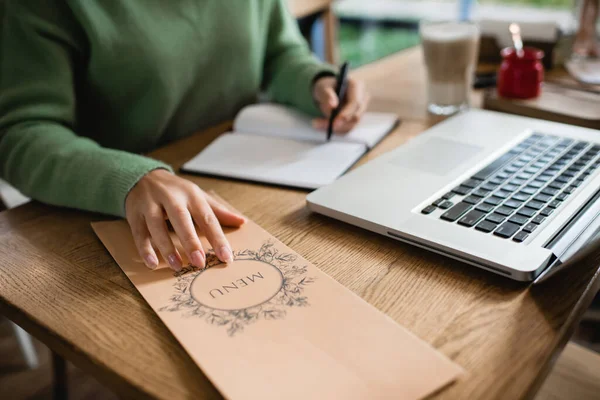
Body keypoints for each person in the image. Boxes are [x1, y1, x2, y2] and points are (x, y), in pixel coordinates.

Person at [0, 1, 370, 272]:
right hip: (126, 218)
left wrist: (316, 82)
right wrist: (132, 178)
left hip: (253, 186)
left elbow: (279, 52)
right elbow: (20, 134)